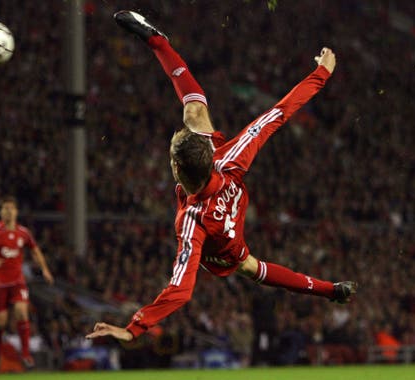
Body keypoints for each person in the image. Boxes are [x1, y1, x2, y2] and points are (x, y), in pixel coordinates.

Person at [86, 11, 357, 343]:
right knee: (195, 112)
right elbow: (278, 113)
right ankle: (157, 40)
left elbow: (181, 290)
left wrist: (133, 328)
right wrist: (322, 73)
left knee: (251, 267)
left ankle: (331, 290)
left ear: (177, 169)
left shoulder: (191, 222)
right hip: (224, 201)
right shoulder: (228, 159)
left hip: (224, 246)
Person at [0, 196, 54, 370]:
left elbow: (35, 250)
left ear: (16, 212)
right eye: (5, 208)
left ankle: (25, 353)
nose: (8, 211)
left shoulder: (23, 233)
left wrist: (45, 269)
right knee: (0, 322)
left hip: (17, 281)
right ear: (1, 212)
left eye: (11, 208)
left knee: (22, 313)